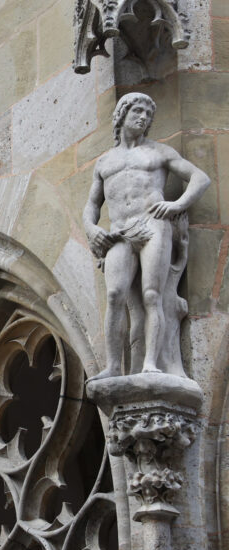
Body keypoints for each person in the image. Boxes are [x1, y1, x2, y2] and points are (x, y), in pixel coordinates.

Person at [83, 93, 210, 380]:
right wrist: (92, 229)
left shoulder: (159, 153)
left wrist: (176, 205)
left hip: (153, 225)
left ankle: (150, 363)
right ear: (122, 115)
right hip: (119, 232)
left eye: (147, 115)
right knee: (115, 295)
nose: (143, 118)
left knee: (153, 295)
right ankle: (114, 366)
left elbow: (200, 178)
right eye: (137, 112)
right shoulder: (105, 162)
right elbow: (92, 204)